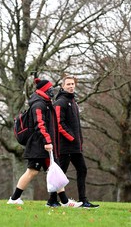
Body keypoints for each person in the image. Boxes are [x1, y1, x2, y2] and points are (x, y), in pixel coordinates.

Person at [7, 78, 82, 208]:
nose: (52, 90)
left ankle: (63, 202)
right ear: (44, 90)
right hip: (39, 146)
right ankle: (14, 199)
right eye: (50, 88)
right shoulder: (38, 104)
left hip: (44, 146)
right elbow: (40, 125)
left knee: (55, 170)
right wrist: (47, 141)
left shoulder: (45, 103)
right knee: (32, 171)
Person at [47, 75, 99, 208]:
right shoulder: (60, 102)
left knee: (82, 169)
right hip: (65, 146)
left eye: (72, 84)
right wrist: (71, 137)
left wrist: (78, 141)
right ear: (63, 86)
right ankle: (52, 200)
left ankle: (83, 201)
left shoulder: (74, 102)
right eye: (68, 84)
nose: (71, 86)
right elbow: (58, 124)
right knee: (60, 173)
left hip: (75, 146)